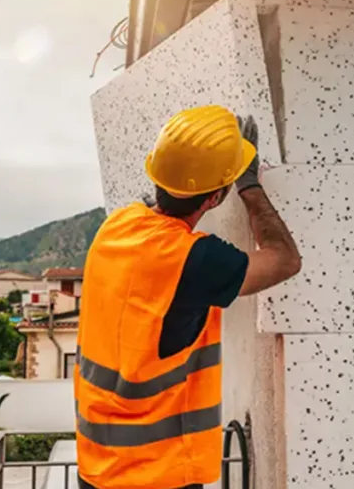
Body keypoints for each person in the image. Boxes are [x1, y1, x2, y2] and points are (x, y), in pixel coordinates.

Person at [74, 105, 301, 489]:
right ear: (215, 197)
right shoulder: (194, 260)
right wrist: (249, 186)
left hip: (97, 466)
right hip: (156, 475)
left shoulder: (117, 225)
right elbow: (285, 260)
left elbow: (157, 211)